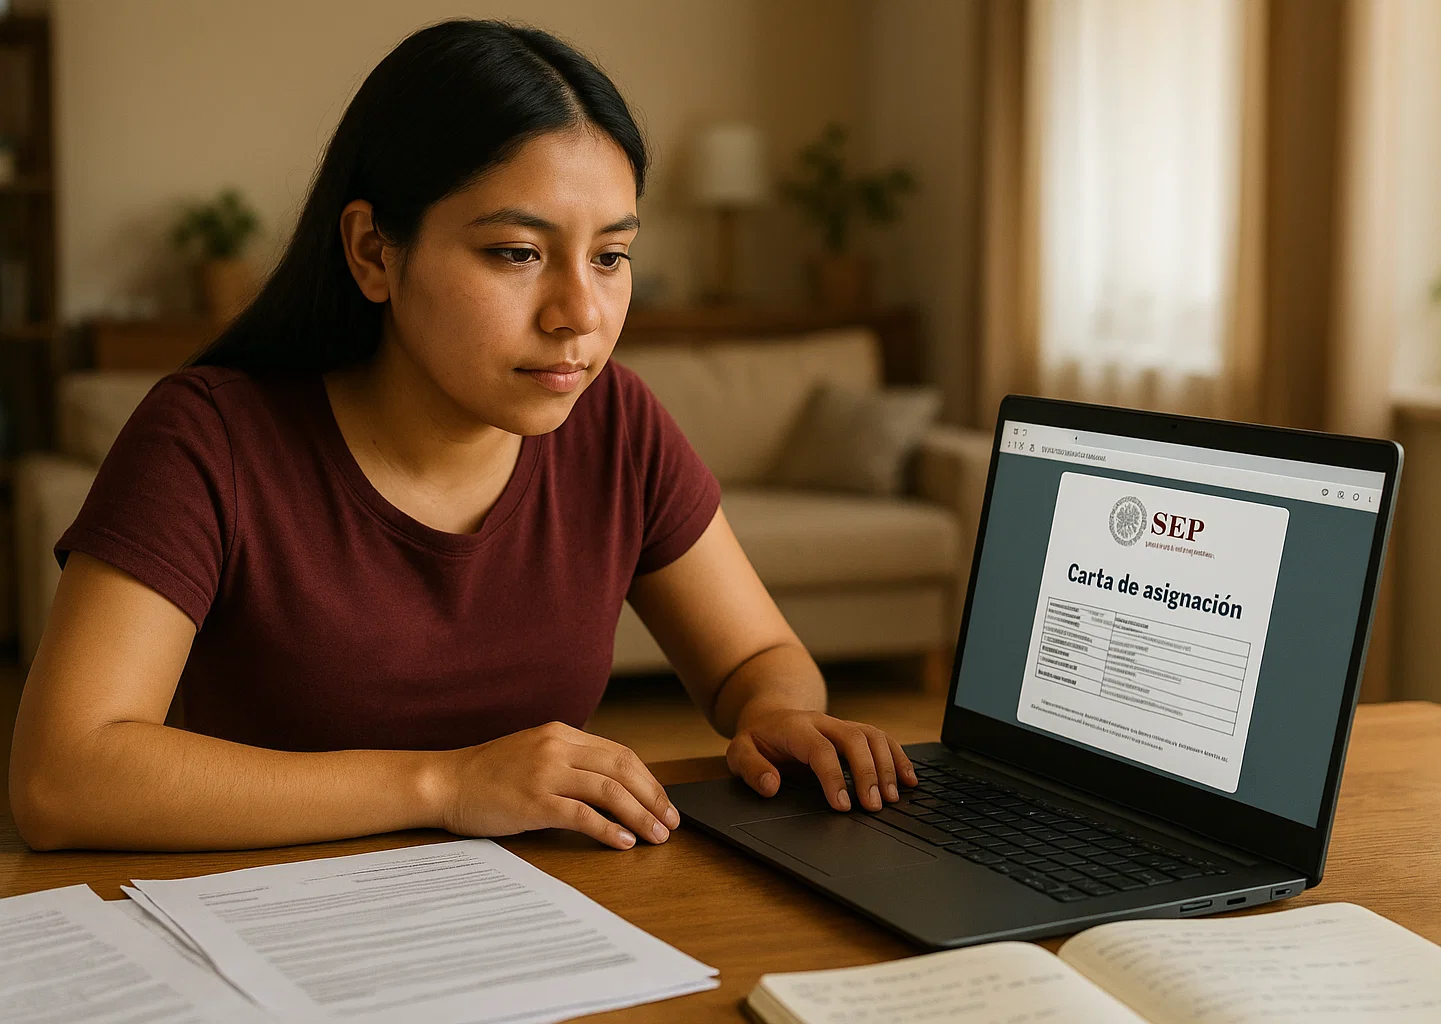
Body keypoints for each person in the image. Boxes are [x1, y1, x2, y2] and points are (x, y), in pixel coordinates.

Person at [9, 20, 916, 853]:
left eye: (610, 256)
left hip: (535, 920)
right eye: (518, 253)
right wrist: (447, 784)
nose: (579, 314)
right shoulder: (209, 438)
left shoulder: (615, 423)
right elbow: (62, 777)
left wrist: (776, 712)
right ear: (373, 252)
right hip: (264, 923)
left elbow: (757, 659)